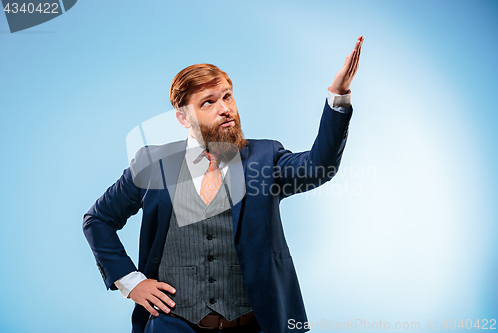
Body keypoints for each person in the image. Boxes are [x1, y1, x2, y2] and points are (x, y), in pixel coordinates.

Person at [83, 36, 364, 333]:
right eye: (209, 102)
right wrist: (130, 282)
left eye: (227, 96)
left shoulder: (265, 157)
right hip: (173, 325)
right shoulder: (152, 163)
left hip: (253, 325)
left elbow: (318, 168)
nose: (224, 108)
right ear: (183, 117)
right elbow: (98, 220)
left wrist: (339, 95)